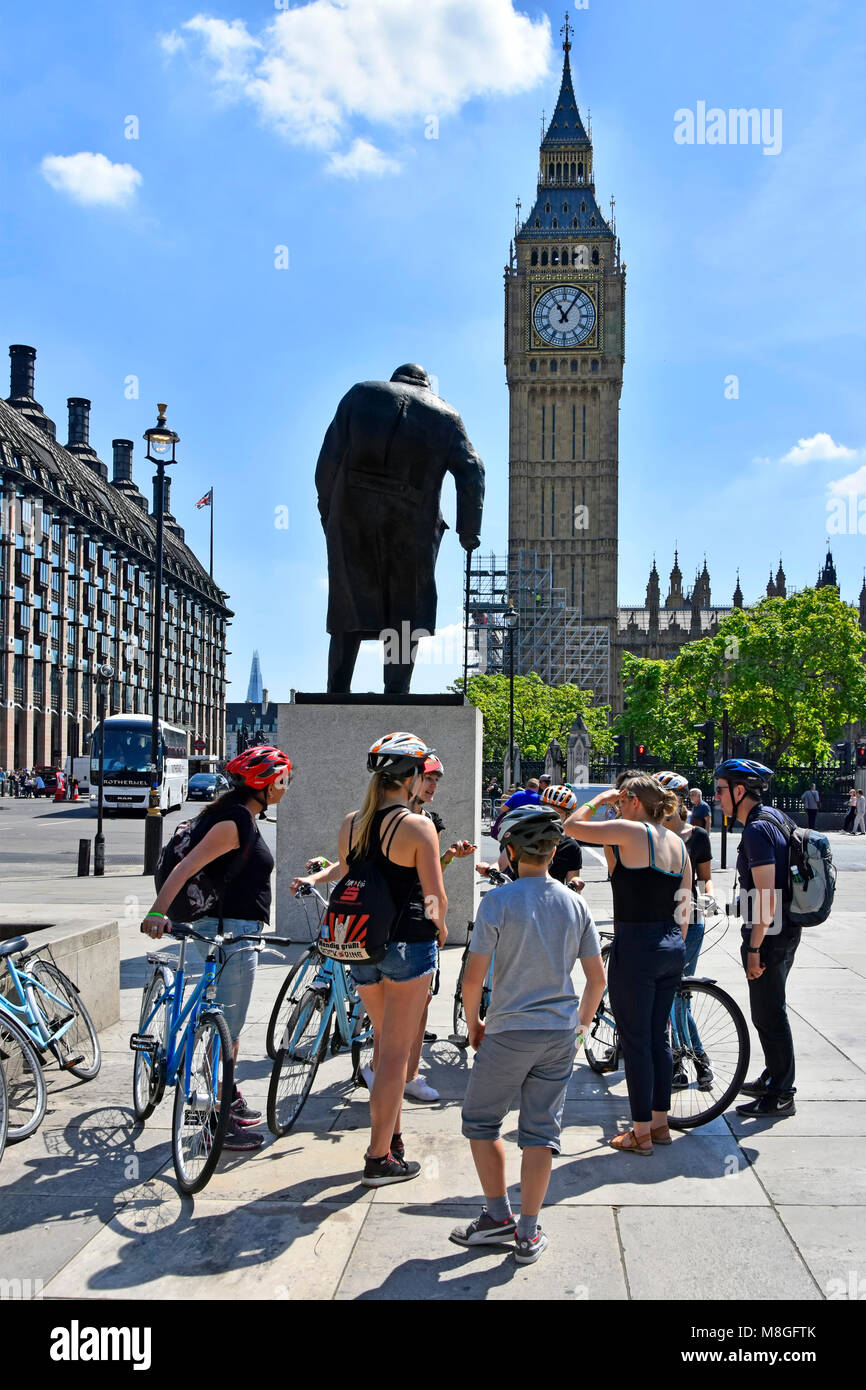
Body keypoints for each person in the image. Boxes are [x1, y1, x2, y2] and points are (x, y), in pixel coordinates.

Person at [451, 804, 605, 1263]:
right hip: (558, 1033)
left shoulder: (497, 902)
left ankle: (497, 1216)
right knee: (541, 1133)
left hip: (508, 1031)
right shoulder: (575, 903)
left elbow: (473, 979)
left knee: (481, 1122)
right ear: (555, 850)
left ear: (512, 852)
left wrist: (476, 1023)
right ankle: (529, 1232)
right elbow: (597, 979)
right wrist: (579, 1030)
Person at [142, 743, 293, 1151]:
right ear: (263, 784)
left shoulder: (240, 815)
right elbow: (185, 867)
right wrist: (157, 912)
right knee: (229, 1030)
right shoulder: (236, 821)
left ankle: (228, 1093)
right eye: (283, 779)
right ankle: (215, 1117)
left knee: (222, 1021)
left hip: (232, 928)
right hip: (230, 932)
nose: (286, 785)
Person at [335, 732, 448, 1187]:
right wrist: (441, 929)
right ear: (413, 776)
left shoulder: (351, 823)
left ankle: (393, 1138)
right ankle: (378, 1158)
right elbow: (436, 898)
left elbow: (348, 882)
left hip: (361, 945)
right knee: (395, 1059)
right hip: (407, 944)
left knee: (385, 1044)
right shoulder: (418, 827)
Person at [563, 775, 691, 1154]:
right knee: (657, 1038)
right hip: (670, 944)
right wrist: (674, 941)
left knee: (635, 1041)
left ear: (634, 800)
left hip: (637, 944)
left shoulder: (631, 832)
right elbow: (685, 905)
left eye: (621, 800)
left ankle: (640, 1133)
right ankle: (660, 1124)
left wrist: (598, 798)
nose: (617, 806)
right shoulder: (678, 844)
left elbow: (570, 826)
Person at [713, 758, 799, 1119]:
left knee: (769, 1013)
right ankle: (773, 1077)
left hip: (770, 935)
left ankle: (781, 1093)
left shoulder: (756, 831)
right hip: (784, 930)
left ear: (739, 790)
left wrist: (753, 947)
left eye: (720, 790)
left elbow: (765, 896)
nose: (717, 798)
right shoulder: (777, 818)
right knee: (768, 1010)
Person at [657, 772, 716, 1089]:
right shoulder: (649, 835)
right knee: (668, 996)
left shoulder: (697, 836)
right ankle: (677, 1062)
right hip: (656, 921)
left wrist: (709, 896)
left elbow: (706, 877)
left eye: (669, 796)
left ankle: (698, 1061)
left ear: (681, 800)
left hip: (689, 921)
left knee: (678, 995)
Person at [539, 784, 585, 890]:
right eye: (546, 810)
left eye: (558, 813)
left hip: (553, 898)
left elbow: (573, 878)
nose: (551, 816)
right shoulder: (525, 833)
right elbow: (501, 862)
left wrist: (575, 882)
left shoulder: (571, 846)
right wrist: (494, 868)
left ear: (568, 816)